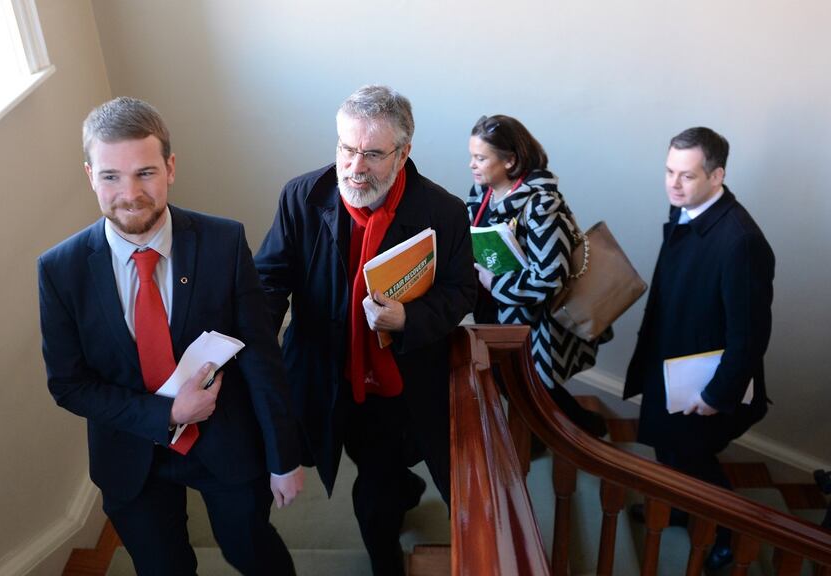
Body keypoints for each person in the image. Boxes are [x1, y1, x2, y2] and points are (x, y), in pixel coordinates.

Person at [38, 97, 304, 576]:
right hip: (130, 453)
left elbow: (263, 356)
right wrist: (167, 414)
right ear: (89, 175)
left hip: (226, 441)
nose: (130, 193)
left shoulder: (223, 242)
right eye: (110, 176)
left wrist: (284, 458)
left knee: (253, 551)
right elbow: (68, 383)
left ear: (170, 167)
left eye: (145, 173)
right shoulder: (61, 270)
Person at [254, 85, 477, 576]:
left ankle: (386, 563)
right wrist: (255, 341)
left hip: (395, 385)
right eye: (346, 148)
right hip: (323, 373)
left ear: (403, 153)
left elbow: (463, 291)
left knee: (373, 493)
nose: (355, 167)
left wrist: (407, 319)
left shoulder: (443, 212)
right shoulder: (301, 196)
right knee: (302, 451)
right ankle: (403, 486)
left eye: (373, 154)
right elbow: (270, 278)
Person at [624, 126, 774, 571]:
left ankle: (728, 535)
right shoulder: (687, 208)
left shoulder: (740, 241)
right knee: (669, 451)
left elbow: (749, 335)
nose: (673, 183)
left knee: (695, 459)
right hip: (670, 359)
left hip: (703, 380)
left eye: (686, 176)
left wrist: (716, 395)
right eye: (669, 171)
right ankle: (677, 508)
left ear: (717, 175)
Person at [467, 114, 610, 437]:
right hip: (494, 310)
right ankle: (539, 435)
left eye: (480, 158)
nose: (472, 165)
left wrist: (495, 282)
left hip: (532, 324)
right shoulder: (482, 193)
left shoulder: (542, 205)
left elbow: (549, 278)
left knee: (535, 388)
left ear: (510, 160)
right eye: (471, 157)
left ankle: (582, 431)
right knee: (507, 382)